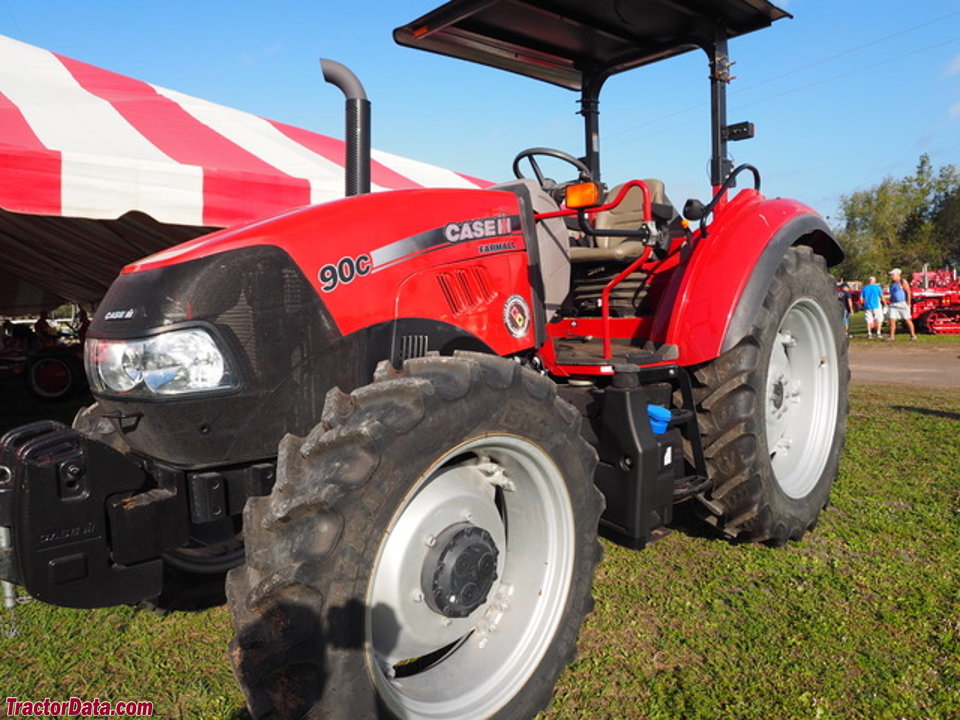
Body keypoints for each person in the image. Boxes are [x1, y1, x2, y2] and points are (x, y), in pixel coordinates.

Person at [885, 268, 916, 341]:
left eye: (893, 275)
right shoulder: (892, 284)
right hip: (893, 304)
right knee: (892, 320)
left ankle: (913, 335)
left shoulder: (902, 281)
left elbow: (908, 291)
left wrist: (908, 302)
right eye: (891, 275)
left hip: (902, 303)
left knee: (907, 319)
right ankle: (891, 336)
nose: (891, 276)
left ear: (898, 275)